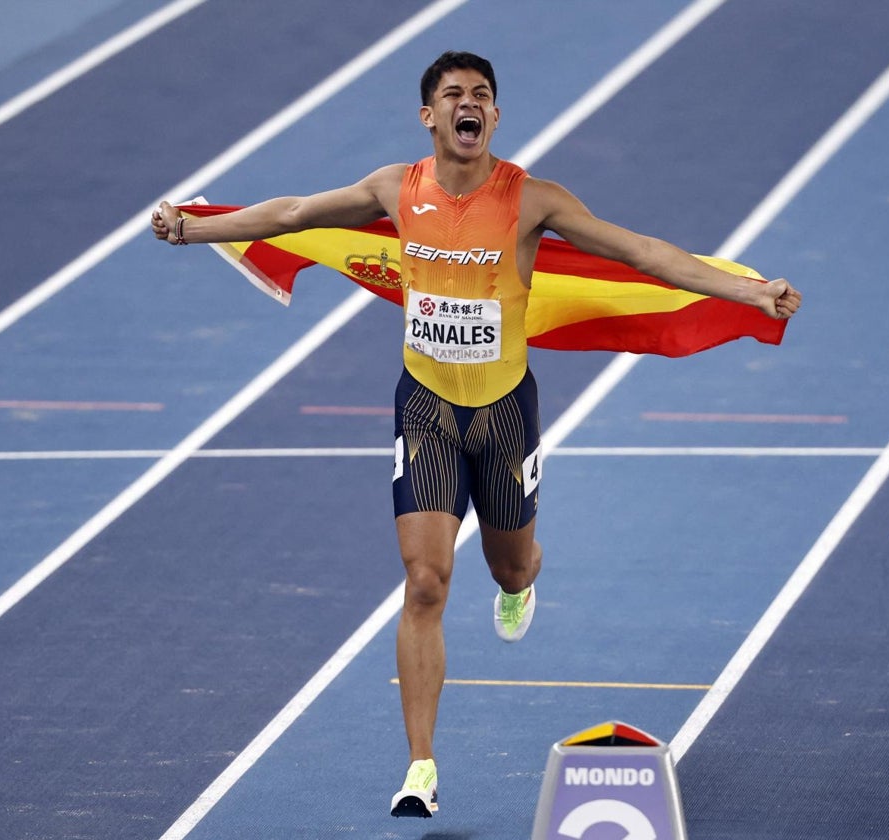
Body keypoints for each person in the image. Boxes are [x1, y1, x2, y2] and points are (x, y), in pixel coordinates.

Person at [153, 50, 801, 819]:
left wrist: (748, 291)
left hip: (503, 417)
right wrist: (194, 229)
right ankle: (420, 765)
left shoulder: (531, 200)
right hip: (425, 408)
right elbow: (293, 214)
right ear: (429, 117)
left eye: (483, 95)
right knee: (424, 581)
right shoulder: (396, 189)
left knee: (511, 568)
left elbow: (640, 254)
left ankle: (523, 580)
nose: (471, 103)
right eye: (455, 94)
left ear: (493, 117)